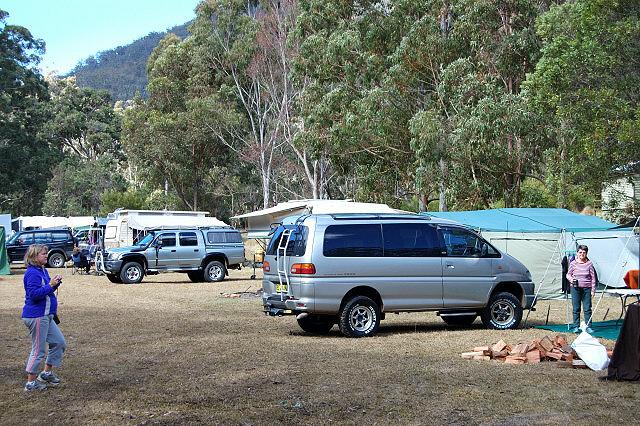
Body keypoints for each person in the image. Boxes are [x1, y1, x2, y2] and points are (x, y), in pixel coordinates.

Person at [21, 244, 67, 391]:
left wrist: (55, 284)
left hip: (46, 315)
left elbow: (47, 290)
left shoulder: (42, 270)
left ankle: (46, 373)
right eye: (43, 254)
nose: (46, 255)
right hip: (37, 316)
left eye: (46, 253)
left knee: (59, 343)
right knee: (38, 350)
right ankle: (31, 383)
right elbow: (34, 295)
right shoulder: (32, 273)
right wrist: (50, 285)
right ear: (34, 257)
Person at [566, 244, 597, 334]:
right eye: (580, 252)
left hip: (587, 288)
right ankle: (576, 326)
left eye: (584, 252)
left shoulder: (589, 264)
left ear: (586, 253)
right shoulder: (573, 263)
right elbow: (568, 274)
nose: (582, 254)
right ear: (577, 253)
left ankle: (588, 326)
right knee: (576, 308)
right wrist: (572, 279)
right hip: (575, 288)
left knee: (587, 308)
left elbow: (593, 277)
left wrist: (593, 290)